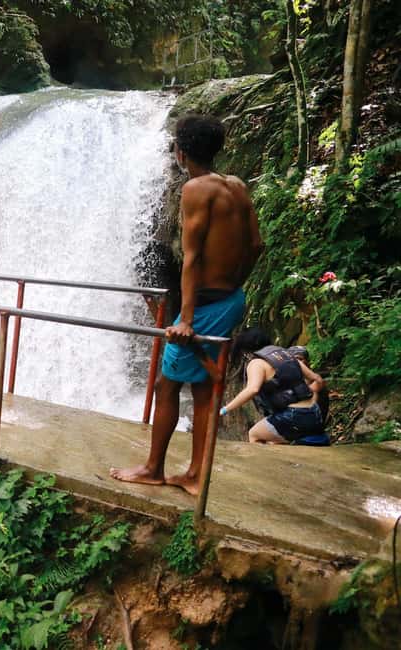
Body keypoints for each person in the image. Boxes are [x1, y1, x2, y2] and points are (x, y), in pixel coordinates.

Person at [111, 114, 264, 496]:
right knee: (203, 390)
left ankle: (153, 469)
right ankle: (195, 474)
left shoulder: (196, 189)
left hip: (205, 307)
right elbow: (257, 245)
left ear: (181, 152)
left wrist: (187, 319)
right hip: (230, 299)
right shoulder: (236, 185)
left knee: (166, 386)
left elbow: (192, 258)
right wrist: (234, 285)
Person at [220, 329, 326, 444]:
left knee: (254, 434)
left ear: (245, 350)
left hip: (293, 416)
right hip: (314, 413)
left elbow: (253, 389)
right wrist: (305, 391)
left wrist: (225, 409)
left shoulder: (257, 363)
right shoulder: (286, 354)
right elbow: (318, 380)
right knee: (274, 439)